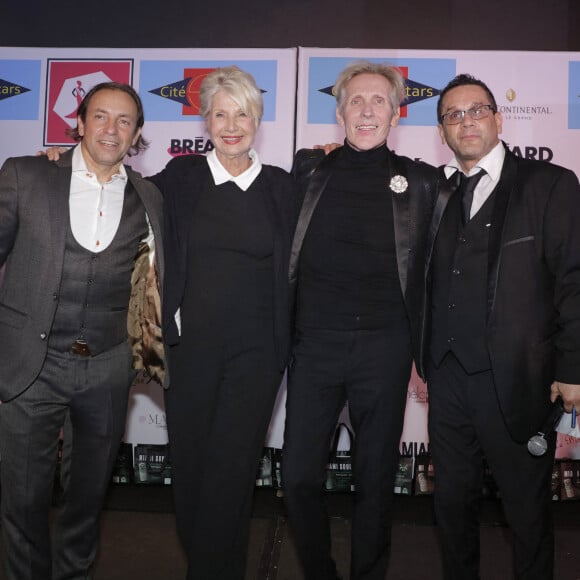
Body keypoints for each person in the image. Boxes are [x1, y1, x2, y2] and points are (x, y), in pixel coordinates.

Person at [0, 82, 165, 580]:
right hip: (31, 367)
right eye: (101, 117)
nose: (110, 129)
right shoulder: (26, 175)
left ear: (137, 133)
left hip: (107, 368)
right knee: (23, 502)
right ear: (79, 121)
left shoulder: (150, 196)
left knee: (86, 502)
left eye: (124, 121)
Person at [283, 61, 438, 580]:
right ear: (340, 112)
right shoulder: (307, 171)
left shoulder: (420, 181)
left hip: (385, 348)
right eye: (356, 101)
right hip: (315, 346)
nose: (367, 111)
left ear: (396, 115)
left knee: (375, 482)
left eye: (379, 102)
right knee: (299, 478)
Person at [424, 73, 580, 579]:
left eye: (476, 110)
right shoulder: (436, 192)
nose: (465, 121)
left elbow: (573, 279)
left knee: (526, 512)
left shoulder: (549, 184)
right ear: (442, 130)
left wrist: (572, 366)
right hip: (445, 381)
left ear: (497, 116)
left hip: (514, 379)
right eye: (453, 115)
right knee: (451, 506)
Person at [148, 66, 297, 580]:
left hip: (257, 353)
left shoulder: (282, 188)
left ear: (257, 119)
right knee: (190, 468)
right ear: (204, 120)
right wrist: (63, 163)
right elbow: (116, 190)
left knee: (232, 469)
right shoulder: (179, 178)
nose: (231, 125)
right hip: (190, 349)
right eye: (220, 113)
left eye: (242, 113)